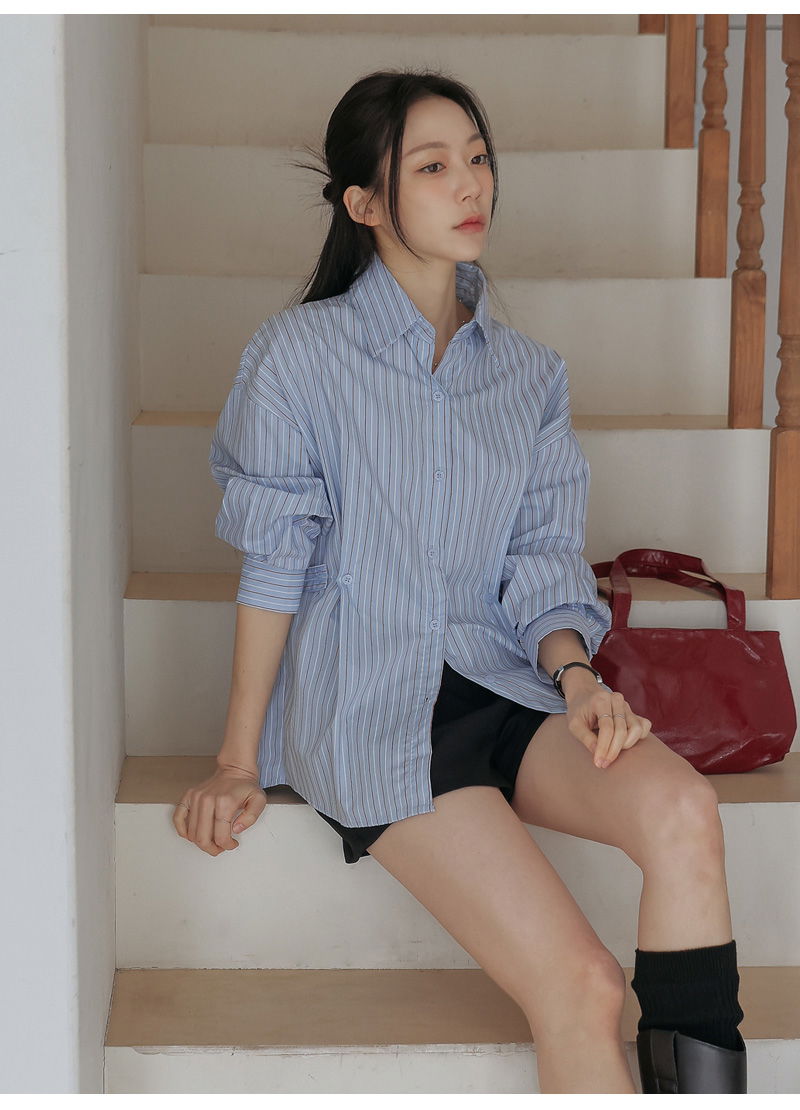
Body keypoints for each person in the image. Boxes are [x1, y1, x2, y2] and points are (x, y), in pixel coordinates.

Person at [172, 69, 746, 1094]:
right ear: (365, 203)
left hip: (503, 681)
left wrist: (578, 680)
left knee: (682, 810)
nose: (470, 183)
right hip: (373, 706)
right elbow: (275, 560)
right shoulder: (298, 357)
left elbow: (539, 560)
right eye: (432, 167)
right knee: (580, 986)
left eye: (477, 158)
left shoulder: (528, 375)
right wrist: (234, 759)